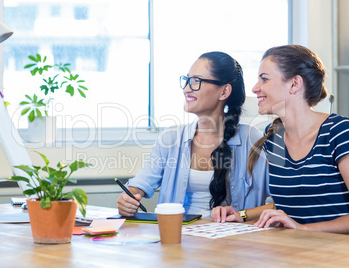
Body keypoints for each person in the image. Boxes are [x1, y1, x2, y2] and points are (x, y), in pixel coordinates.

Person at [213, 44, 349, 234]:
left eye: (264, 79)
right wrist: (241, 214)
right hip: (294, 251)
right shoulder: (274, 137)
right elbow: (286, 203)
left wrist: (302, 228)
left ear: (294, 84)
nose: (255, 88)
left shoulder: (340, 132)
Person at [117, 51, 269, 219]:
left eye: (196, 81)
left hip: (232, 240)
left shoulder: (251, 139)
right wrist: (128, 199)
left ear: (224, 92)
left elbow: (282, 201)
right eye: (187, 80)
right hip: (178, 235)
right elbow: (139, 186)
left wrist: (243, 215)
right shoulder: (170, 139)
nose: (186, 89)